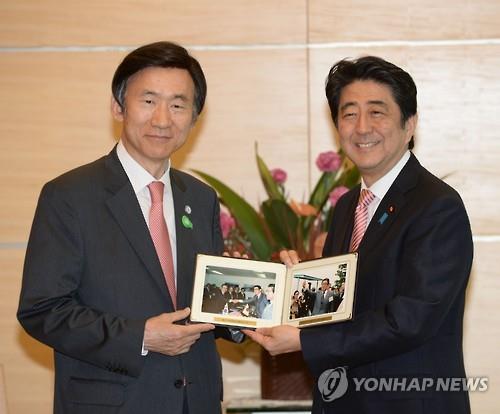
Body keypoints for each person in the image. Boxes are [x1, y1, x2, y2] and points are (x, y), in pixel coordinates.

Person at [17, 41, 240, 414]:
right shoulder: (69, 196)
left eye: (178, 105)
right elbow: (42, 310)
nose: (162, 119)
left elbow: (206, 303)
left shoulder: (201, 198)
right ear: (118, 106)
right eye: (149, 101)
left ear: (194, 117)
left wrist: (248, 312)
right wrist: (140, 337)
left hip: (196, 402)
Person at [244, 56, 473, 413]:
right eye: (349, 114)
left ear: (409, 124)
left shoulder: (437, 206)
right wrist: (294, 286)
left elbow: (409, 320)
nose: (362, 127)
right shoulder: (348, 205)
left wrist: (305, 341)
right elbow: (343, 305)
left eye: (377, 112)